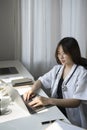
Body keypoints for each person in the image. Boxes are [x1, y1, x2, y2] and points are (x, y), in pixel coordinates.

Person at [23, 37, 87, 128]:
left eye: (64, 53)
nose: (61, 57)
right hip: (56, 110)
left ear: (73, 53)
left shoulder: (82, 73)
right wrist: (31, 90)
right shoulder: (57, 69)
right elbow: (41, 80)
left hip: (72, 119)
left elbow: (76, 102)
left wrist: (48, 100)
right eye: (58, 53)